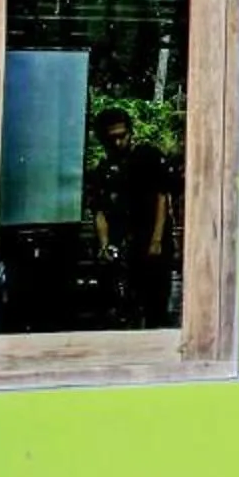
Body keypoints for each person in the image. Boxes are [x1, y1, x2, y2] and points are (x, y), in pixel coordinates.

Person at [88, 108, 177, 327]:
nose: (118, 143)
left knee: (156, 307)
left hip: (151, 238)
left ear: (130, 132)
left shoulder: (147, 156)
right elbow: (98, 210)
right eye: (112, 138)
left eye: (122, 136)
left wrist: (156, 240)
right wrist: (105, 244)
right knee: (124, 307)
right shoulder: (104, 169)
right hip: (125, 244)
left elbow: (162, 197)